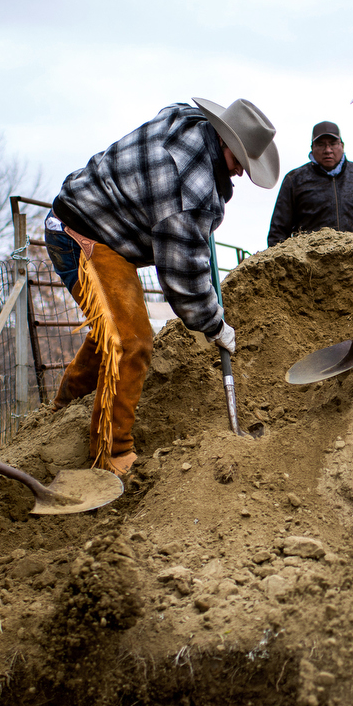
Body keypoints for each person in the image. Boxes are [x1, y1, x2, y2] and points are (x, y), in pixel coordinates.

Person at [46, 97, 279, 475]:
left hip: (105, 229)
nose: (238, 174)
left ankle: (67, 402)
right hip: (81, 235)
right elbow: (183, 280)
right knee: (132, 341)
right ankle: (111, 454)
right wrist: (213, 323)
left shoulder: (187, 121)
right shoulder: (191, 191)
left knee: (117, 327)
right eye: (239, 163)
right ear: (224, 142)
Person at [266, 121, 353, 247]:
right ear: (312, 147)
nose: (328, 150)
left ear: (342, 145)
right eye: (321, 145)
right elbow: (278, 233)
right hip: (310, 263)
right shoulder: (295, 180)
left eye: (333, 144)